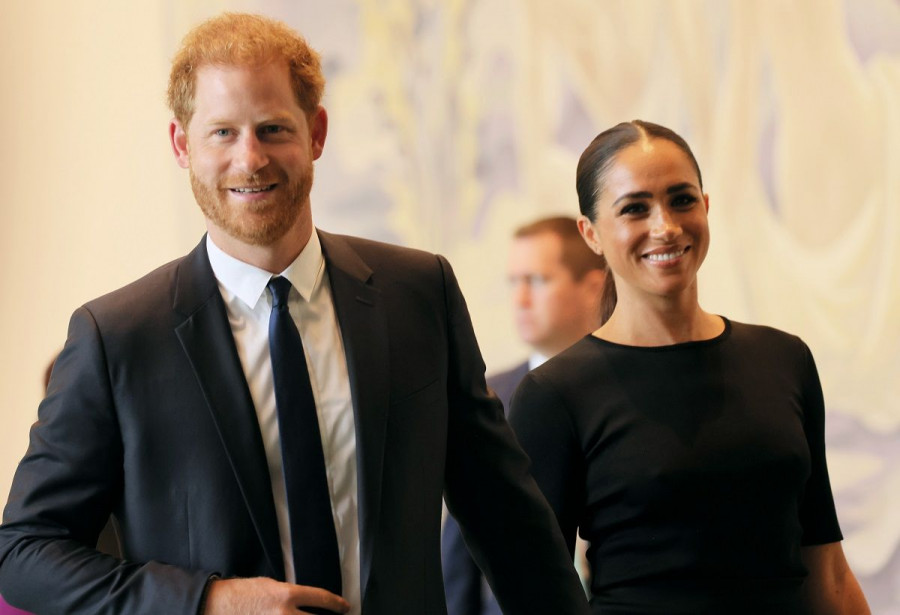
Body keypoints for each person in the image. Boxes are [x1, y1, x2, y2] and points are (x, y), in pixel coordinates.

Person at [0, 13, 590, 615]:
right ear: (182, 145)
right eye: (222, 132)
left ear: (316, 133)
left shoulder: (419, 294)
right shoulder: (117, 338)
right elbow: (23, 552)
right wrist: (208, 602)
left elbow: (508, 519)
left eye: (273, 128)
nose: (250, 158)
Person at [508, 120, 871, 614]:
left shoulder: (784, 359)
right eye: (635, 208)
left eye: (681, 200)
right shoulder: (555, 393)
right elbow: (536, 594)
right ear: (591, 234)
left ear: (706, 206)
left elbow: (828, 570)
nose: (665, 226)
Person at [442, 216, 605, 615]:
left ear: (594, 287)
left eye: (537, 280)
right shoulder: (485, 396)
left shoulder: (629, 390)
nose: (520, 299)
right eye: (514, 282)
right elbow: (462, 547)